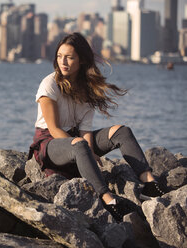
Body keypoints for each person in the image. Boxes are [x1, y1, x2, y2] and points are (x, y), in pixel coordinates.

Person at [28, 32, 166, 222]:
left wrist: (90, 152)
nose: (63, 62)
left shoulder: (86, 88)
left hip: (76, 141)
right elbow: (53, 129)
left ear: (81, 60)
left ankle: (149, 183)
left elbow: (85, 130)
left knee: (121, 131)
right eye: (60, 56)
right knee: (79, 144)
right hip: (50, 143)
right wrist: (84, 150)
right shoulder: (49, 84)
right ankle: (108, 201)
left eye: (69, 57)